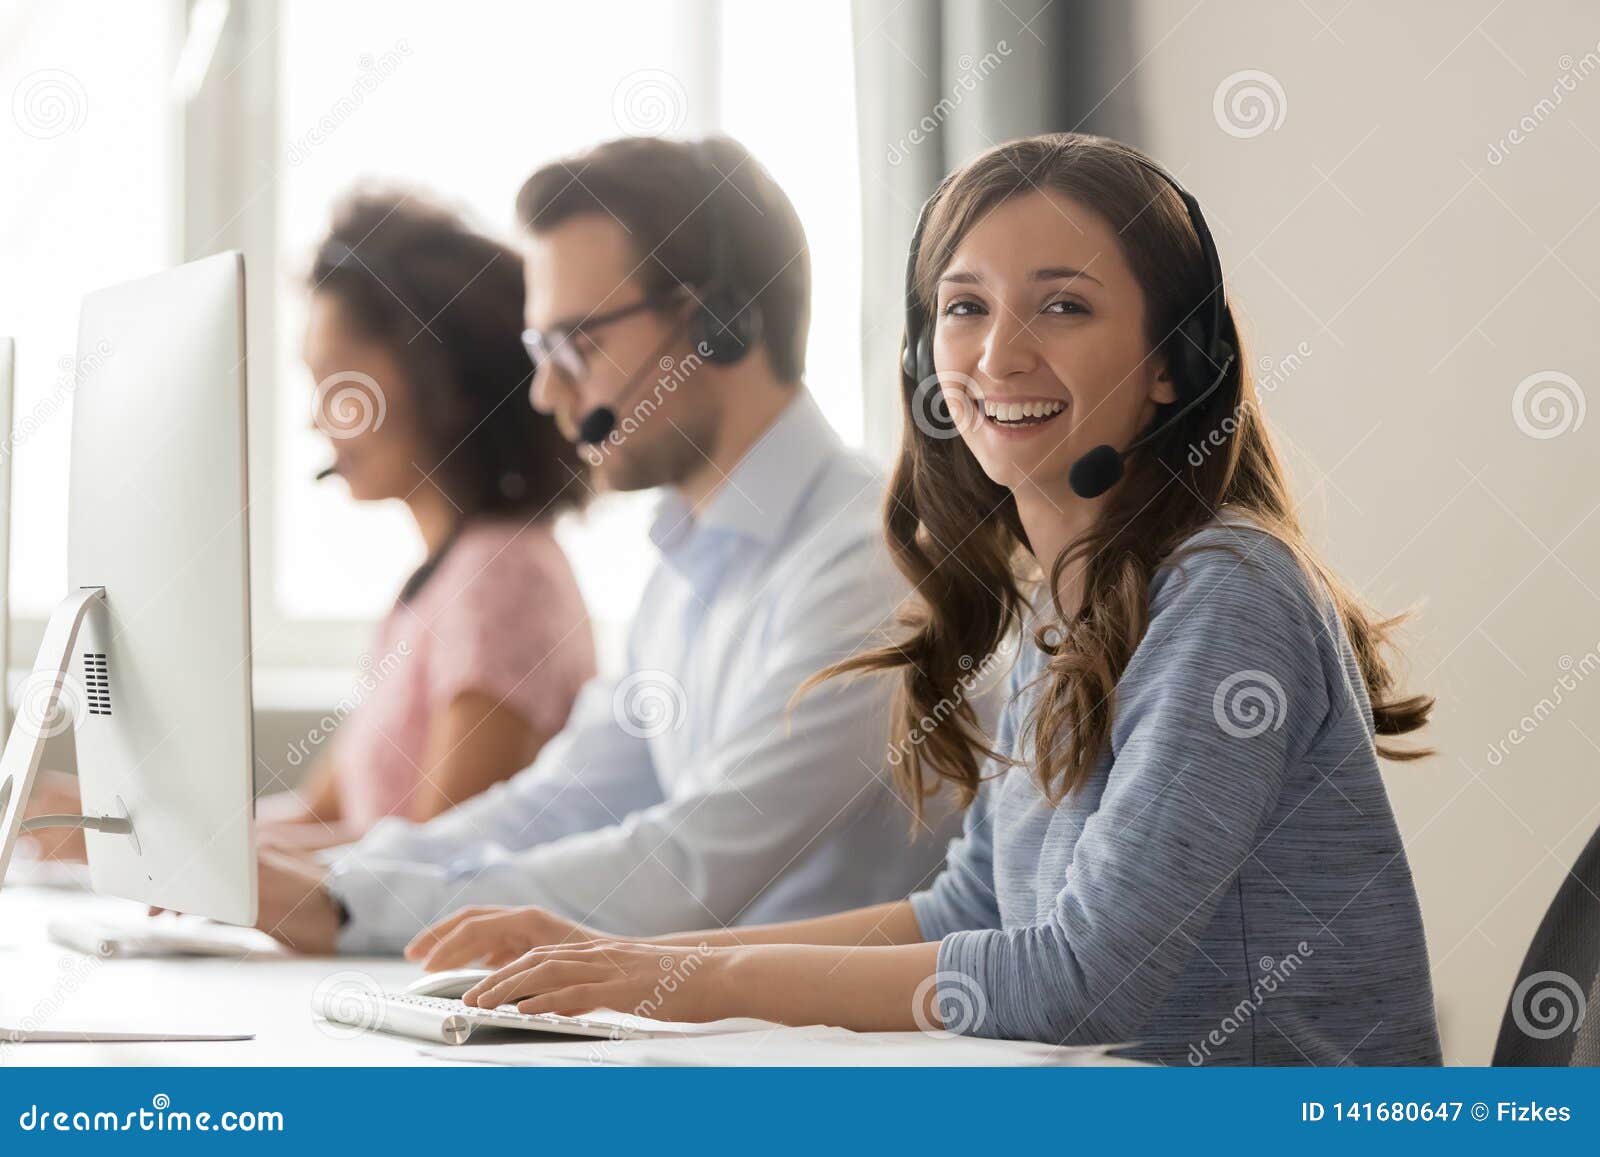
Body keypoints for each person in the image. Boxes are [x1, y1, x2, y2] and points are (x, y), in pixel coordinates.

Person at [403, 133, 1445, 1067]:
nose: (998, 354)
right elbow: (969, 907)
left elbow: (1088, 976)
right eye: (964, 307)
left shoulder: (1225, 591)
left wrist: (688, 985)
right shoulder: (1061, 605)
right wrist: (631, 958)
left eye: (1063, 305)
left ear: (1173, 363)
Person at [248, 136, 957, 954]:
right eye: (539, 352)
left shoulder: (867, 559)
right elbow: (563, 800)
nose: (548, 393)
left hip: (827, 1060)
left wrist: (348, 907)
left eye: (577, 345)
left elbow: (690, 865)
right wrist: (333, 877)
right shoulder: (685, 570)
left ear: (717, 326)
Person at [25, 192, 597, 859]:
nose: (317, 420)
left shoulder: (504, 575)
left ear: (434, 375)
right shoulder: (439, 581)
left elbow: (435, 858)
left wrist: (153, 846)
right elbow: (322, 817)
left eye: (335, 378)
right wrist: (127, 830)